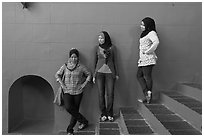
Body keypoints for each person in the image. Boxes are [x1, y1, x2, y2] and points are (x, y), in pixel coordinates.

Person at [55, 48, 91, 135]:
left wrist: (84, 84)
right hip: (67, 91)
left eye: (75, 57)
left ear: (78, 58)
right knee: (69, 108)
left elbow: (89, 74)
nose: (74, 59)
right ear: (69, 57)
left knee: (75, 110)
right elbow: (57, 74)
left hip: (78, 92)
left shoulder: (81, 67)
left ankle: (70, 130)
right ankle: (84, 121)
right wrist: (62, 84)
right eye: (72, 57)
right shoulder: (65, 66)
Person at [93, 31, 119, 122]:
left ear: (106, 38)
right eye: (99, 38)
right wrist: (94, 75)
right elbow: (95, 62)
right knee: (101, 94)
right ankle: (103, 113)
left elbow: (115, 61)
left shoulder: (112, 48)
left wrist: (116, 74)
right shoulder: (96, 48)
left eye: (102, 38)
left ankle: (110, 113)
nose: (100, 40)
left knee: (110, 94)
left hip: (110, 73)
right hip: (99, 74)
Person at [137, 17, 159, 104]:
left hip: (148, 58)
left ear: (148, 25)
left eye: (143, 24)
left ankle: (148, 96)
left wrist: (148, 51)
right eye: (141, 24)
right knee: (139, 75)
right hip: (142, 59)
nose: (141, 26)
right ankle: (147, 93)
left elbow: (156, 42)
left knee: (147, 76)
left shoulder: (151, 33)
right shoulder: (144, 33)